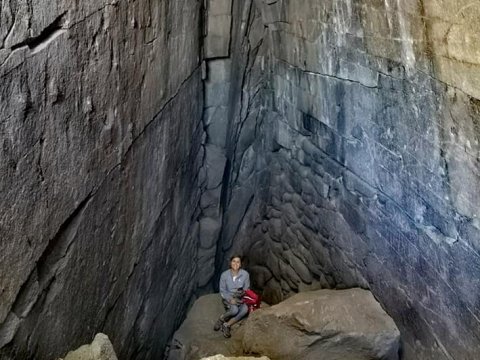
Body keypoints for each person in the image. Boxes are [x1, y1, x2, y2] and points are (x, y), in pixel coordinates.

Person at [213, 255, 250, 338]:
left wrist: (242, 295)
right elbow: (222, 291)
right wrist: (230, 299)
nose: (235, 263)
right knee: (234, 310)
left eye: (238, 262)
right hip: (228, 298)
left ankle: (227, 325)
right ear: (230, 263)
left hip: (240, 299)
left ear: (240, 264)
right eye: (234, 261)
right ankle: (221, 319)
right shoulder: (224, 275)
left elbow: (247, 289)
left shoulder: (245, 275)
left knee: (245, 309)